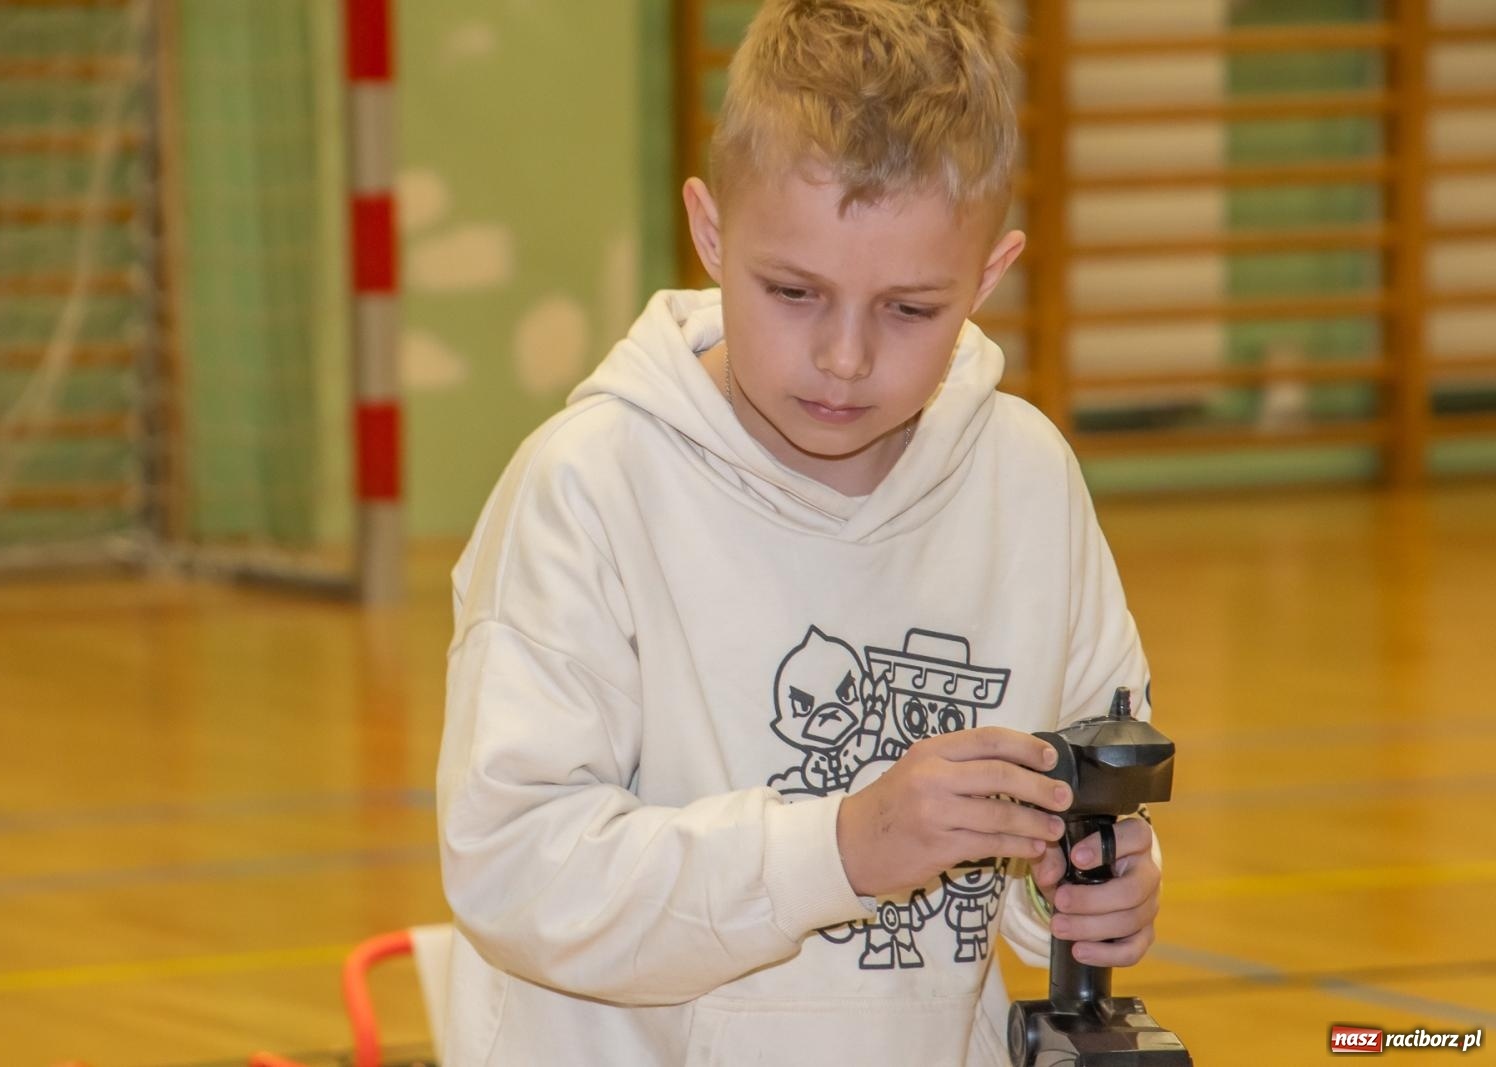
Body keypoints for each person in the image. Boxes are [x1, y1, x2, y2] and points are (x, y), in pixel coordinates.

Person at [436, 1, 1162, 1062]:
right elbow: (515, 868)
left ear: (987, 278)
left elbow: (1082, 804)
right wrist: (840, 847)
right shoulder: (589, 487)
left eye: (910, 309)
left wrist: (1088, 895)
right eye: (792, 292)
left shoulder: (1026, 481)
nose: (844, 359)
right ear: (710, 230)